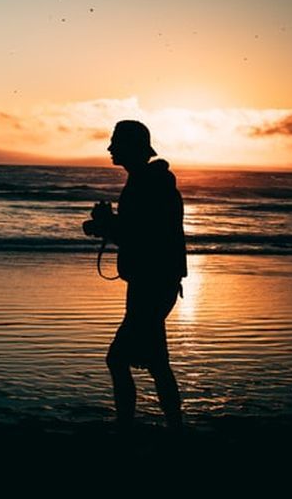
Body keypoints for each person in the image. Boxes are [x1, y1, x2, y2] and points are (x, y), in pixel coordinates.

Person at [82, 120, 187, 429]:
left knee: (119, 359)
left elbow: (139, 237)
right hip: (155, 284)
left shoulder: (146, 185)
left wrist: (105, 225)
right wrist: (107, 224)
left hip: (151, 286)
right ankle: (173, 427)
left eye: (116, 142)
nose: (110, 148)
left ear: (131, 147)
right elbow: (139, 232)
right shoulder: (148, 182)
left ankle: (129, 427)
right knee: (156, 364)